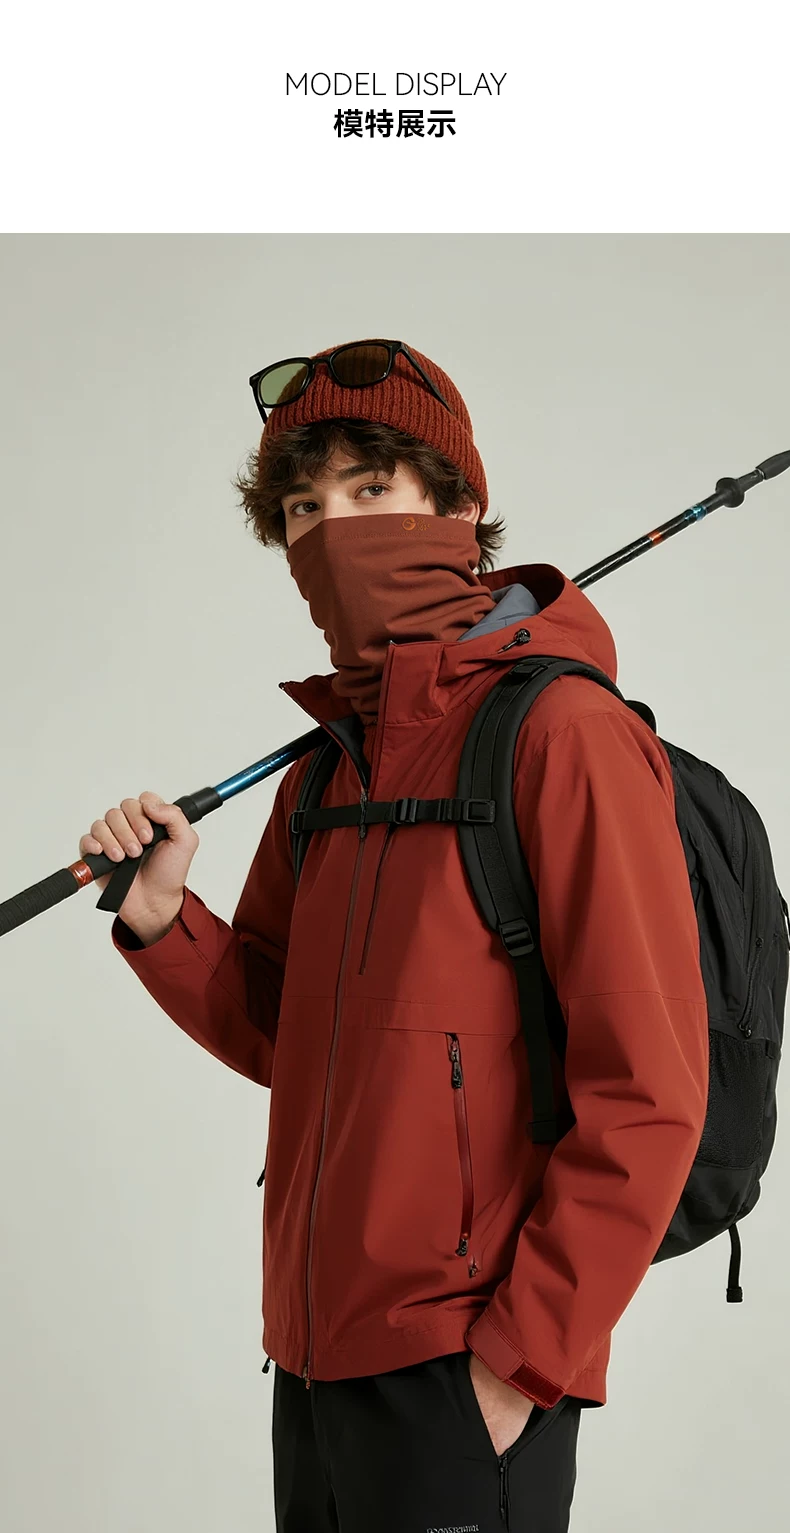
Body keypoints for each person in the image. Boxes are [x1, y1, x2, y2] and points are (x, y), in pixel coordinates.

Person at [79, 340, 709, 1532]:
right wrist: (163, 920)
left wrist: (524, 1361)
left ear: (457, 510)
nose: (332, 533)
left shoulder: (563, 737)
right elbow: (291, 1036)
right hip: (313, 1352)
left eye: (371, 491)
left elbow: (649, 1090)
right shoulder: (328, 768)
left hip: (469, 1366)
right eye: (304, 510)